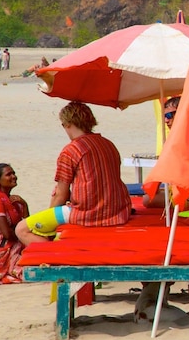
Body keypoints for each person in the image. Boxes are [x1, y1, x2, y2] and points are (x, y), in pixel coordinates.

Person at [16, 102, 132, 246]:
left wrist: (50, 218)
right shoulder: (108, 144)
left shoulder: (72, 150)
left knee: (22, 229)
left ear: (68, 123)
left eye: (63, 125)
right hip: (117, 211)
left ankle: (53, 254)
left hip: (87, 214)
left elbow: (61, 194)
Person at [142, 96, 186, 208]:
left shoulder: (177, 142)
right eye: (164, 116)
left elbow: (155, 181)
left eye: (169, 115)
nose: (166, 120)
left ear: (182, 112)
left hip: (188, 197)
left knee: (147, 200)